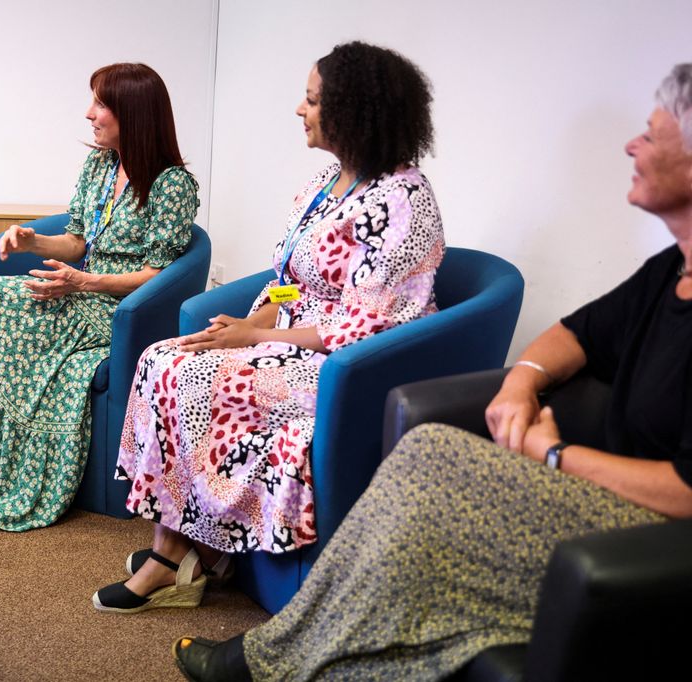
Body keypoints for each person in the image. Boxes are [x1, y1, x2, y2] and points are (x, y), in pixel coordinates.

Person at [170, 63, 692, 681]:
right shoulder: (669, 272)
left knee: (425, 508)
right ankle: (259, 629)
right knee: (426, 450)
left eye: (653, 137)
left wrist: (555, 457)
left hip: (650, 528)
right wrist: (522, 380)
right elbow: (575, 334)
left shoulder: (405, 199)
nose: (632, 145)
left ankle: (265, 661)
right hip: (591, 483)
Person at [93, 41, 445, 614]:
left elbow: (364, 322)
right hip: (287, 338)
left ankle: (172, 558)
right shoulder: (328, 183)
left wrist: (256, 338)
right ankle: (193, 546)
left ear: (355, 112)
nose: (299, 111)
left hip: (343, 364)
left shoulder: (402, 201)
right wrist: (251, 319)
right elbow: (290, 282)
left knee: (203, 379)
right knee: (165, 356)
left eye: (310, 101)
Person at [0, 63, 199, 532]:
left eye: (100, 104)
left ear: (133, 114)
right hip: (80, 290)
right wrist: (31, 240)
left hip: (117, 310)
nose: (88, 113)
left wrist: (84, 282)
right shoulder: (100, 165)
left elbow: (159, 274)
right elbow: (77, 240)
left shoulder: (171, 185)